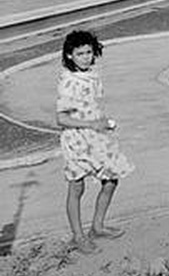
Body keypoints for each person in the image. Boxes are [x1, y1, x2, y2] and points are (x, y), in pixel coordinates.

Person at [56, 30, 133, 253]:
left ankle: (97, 226)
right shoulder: (68, 82)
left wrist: (104, 122)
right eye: (80, 54)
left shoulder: (91, 75)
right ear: (69, 55)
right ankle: (78, 237)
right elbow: (61, 118)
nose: (86, 57)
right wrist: (93, 125)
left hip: (97, 136)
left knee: (111, 179)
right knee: (76, 188)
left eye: (89, 52)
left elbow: (91, 106)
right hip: (77, 140)